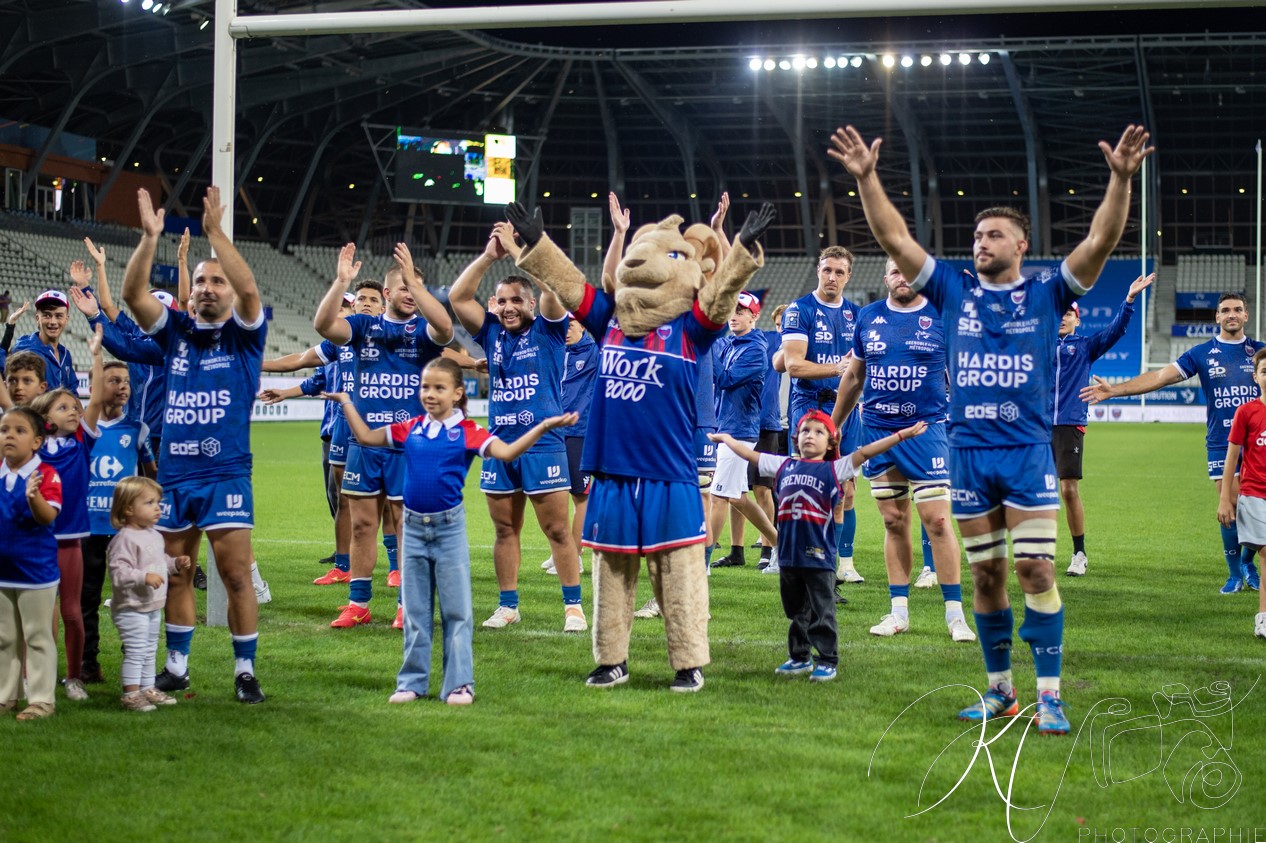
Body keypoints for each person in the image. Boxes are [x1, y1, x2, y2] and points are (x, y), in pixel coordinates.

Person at [830, 122, 1153, 734]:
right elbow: (894, 237)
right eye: (977, 234)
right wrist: (868, 178)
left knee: (1036, 570)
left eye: (995, 234)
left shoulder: (1049, 293)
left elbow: (1102, 239)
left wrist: (1120, 179)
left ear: (1021, 245)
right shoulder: (951, 290)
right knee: (987, 573)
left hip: (1028, 454)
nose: (982, 241)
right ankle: (1001, 690)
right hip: (970, 453)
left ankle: (1050, 694)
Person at [324, 359, 578, 705]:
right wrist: (347, 402)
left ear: (458, 393)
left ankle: (459, 684)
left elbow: (506, 452)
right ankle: (411, 682)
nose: (429, 394)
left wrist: (543, 426)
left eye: (439, 388)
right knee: (415, 611)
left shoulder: (468, 432)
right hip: (411, 531)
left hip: (449, 530)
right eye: (425, 387)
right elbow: (367, 437)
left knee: (456, 612)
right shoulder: (409, 428)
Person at [122, 186, 269, 704]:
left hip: (227, 474)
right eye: (201, 281)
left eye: (217, 282)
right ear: (189, 294)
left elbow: (252, 292)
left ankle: (245, 670)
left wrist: (215, 236)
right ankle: (178, 667)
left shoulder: (245, 336)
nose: (208, 288)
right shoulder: (176, 332)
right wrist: (149, 238)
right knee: (176, 575)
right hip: (175, 478)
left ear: (229, 292)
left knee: (234, 576)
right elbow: (133, 296)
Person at [712, 413, 926, 682]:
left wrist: (901, 435)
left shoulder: (834, 469)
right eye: (804, 431)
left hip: (819, 557)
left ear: (830, 442)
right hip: (789, 557)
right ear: (795, 438)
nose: (810, 435)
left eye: (818, 432)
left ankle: (827, 659)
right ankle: (799, 657)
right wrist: (728, 439)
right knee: (795, 611)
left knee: (822, 611)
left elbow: (865, 452)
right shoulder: (783, 465)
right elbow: (750, 455)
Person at [447, 224, 584, 632]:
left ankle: (573, 607)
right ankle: (508, 606)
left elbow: (554, 290)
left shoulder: (549, 328)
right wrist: (490, 256)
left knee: (557, 530)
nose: (508, 307)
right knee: (505, 530)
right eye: (502, 301)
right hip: (498, 444)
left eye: (516, 301)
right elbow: (457, 297)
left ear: (530, 303)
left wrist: (518, 251)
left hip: (544, 445)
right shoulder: (490, 333)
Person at [1083, 291, 1264, 593]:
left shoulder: (1260, 353)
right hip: (1222, 441)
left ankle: (1248, 561)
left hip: (1259, 442)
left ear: (1246, 316)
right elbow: (1160, 377)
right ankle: (1236, 573)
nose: (1231, 314)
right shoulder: (1202, 354)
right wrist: (1116, 391)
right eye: (1225, 310)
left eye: (1237, 309)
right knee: (1231, 507)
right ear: (1217, 317)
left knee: (1256, 508)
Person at [833, 258, 975, 643]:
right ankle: (898, 612)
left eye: (909, 271)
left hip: (927, 431)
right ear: (886, 278)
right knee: (894, 520)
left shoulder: (942, 316)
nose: (902, 278)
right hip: (878, 430)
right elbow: (854, 376)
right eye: (895, 271)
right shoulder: (868, 317)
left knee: (939, 521)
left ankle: (955, 615)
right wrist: (835, 424)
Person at [314, 243, 453, 629]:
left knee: (406, 525)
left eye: (416, 287)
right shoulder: (363, 326)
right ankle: (358, 603)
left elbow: (445, 328)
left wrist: (417, 284)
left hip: (407, 446)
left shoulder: (423, 331)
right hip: (365, 444)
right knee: (361, 525)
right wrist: (341, 281)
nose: (410, 293)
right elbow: (324, 326)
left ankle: (408, 604)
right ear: (387, 294)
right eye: (404, 287)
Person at [260, 279, 386, 588]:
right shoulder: (341, 342)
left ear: (384, 306)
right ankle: (343, 565)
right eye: (362, 299)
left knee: (390, 498)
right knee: (345, 498)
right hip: (344, 424)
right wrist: (254, 364)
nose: (367, 303)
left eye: (374, 299)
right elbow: (302, 362)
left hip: (384, 422)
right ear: (353, 306)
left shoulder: (394, 336)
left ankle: (396, 566)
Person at [1053, 273, 1153, 576]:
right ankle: (1038, 554)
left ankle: (1079, 553)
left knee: (1068, 490)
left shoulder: (1084, 346)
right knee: (1034, 493)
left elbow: (1116, 330)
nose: (1062, 317)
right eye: (1058, 312)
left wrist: (1129, 300)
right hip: (1034, 426)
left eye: (1068, 313)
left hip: (1069, 424)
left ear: (1077, 320)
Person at [781, 246, 864, 584]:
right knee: (808, 484)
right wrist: (837, 367)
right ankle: (802, 559)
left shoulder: (858, 314)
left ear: (848, 276)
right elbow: (793, 365)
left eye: (839, 272)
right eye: (827, 269)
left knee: (846, 486)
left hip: (847, 407)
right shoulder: (800, 310)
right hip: (811, 405)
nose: (832, 277)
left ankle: (844, 563)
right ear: (818, 270)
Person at [80, 331, 156, 685]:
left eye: (126, 381)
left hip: (126, 531)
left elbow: (151, 475)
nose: (122, 387)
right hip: (89, 526)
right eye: (113, 380)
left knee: (134, 600)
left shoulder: (138, 429)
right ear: (99, 385)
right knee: (87, 599)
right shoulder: (84, 428)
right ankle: (88, 662)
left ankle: (136, 666)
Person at [0, 406, 63, 721]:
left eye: (19, 431)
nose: (9, 435)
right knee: (4, 637)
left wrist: (33, 497)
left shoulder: (46, 476)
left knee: (37, 636)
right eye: (4, 430)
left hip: (35, 572)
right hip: (2, 573)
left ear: (37, 441)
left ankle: (41, 700)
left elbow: (47, 516)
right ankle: (5, 695)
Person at [107, 476, 191, 712]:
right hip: (131, 607)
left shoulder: (153, 534)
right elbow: (119, 573)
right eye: (149, 503)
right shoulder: (124, 539)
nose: (157, 508)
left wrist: (174, 563)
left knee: (150, 648)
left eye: (157, 502)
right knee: (136, 650)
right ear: (128, 509)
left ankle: (147, 687)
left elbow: (159, 560)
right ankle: (131, 694)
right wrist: (143, 577)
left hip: (152, 605)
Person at [29, 386, 91, 702]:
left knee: (71, 612)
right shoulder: (32, 451)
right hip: (37, 541)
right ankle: (37, 674)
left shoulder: (81, 443)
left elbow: (88, 415)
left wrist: (96, 356)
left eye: (76, 407)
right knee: (36, 614)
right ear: (44, 418)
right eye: (63, 407)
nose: (73, 411)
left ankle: (74, 678)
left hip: (70, 543)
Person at [708, 292, 778, 565]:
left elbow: (724, 379)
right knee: (737, 497)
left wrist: (709, 347)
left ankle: (702, 562)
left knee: (718, 496)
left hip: (738, 431)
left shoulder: (754, 350)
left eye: (741, 311)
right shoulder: (730, 343)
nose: (734, 315)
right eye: (731, 310)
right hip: (727, 427)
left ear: (754, 315)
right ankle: (780, 546)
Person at [542, 314, 600, 576]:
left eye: (572, 325)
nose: (566, 331)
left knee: (581, 496)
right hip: (553, 432)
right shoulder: (555, 350)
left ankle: (574, 556)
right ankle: (560, 552)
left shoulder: (594, 352)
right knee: (555, 494)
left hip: (580, 431)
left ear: (583, 325)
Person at [1217, 348, 1266, 639]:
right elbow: (1232, 457)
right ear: (1256, 377)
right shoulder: (1246, 412)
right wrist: (1225, 497)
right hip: (1254, 494)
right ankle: (1263, 617)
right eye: (1265, 371)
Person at [14, 289, 75, 392]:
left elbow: (72, 390)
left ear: (66, 320)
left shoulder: (65, 354)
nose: (53, 322)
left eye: (59, 316)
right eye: (47, 315)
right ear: (37, 318)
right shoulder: (26, 350)